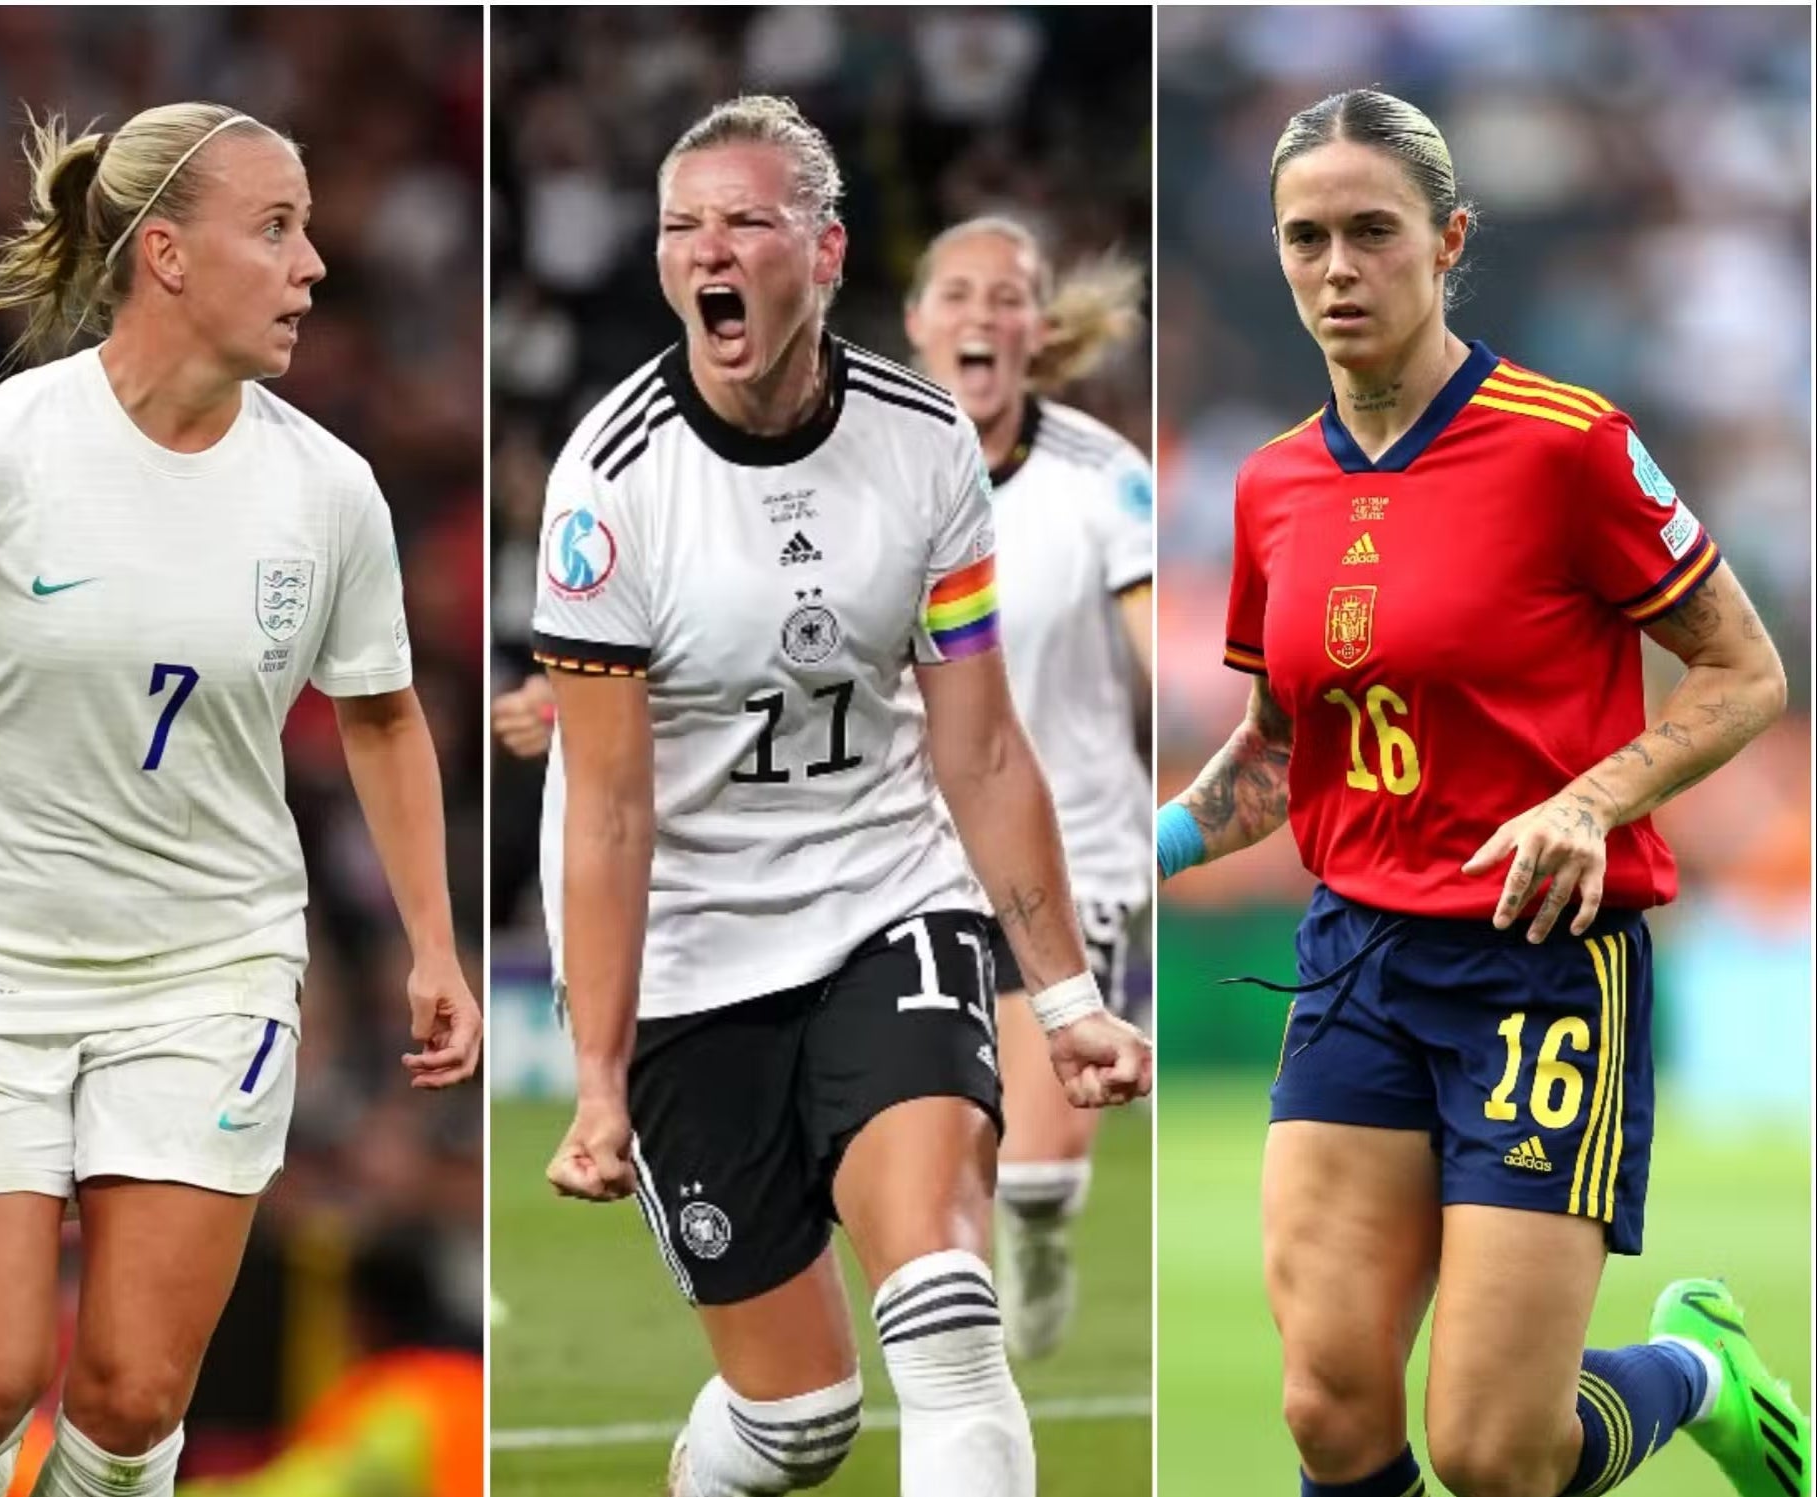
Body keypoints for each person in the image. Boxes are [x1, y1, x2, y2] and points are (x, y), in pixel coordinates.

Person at [0, 102, 481, 1497]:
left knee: (129, 1397)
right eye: (278, 229)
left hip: (210, 966)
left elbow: (380, 713)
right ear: (167, 254)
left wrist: (433, 940)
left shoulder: (329, 492)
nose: (314, 267)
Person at [1157, 88, 1806, 1497]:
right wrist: (1143, 847)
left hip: (1540, 972)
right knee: (1330, 1405)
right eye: (1307, 238)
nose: (1339, 270)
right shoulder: (1271, 487)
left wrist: (1591, 798)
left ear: (1449, 241)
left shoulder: (1566, 442)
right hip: (1353, 962)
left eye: (1372, 234)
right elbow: (1279, 752)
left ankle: (1695, 1367)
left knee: (1493, 1451)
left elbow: (1744, 671)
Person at [531, 95, 1150, 1497]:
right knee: (798, 1426)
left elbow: (981, 748)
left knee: (943, 1311)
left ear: (823, 250)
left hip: (886, 901)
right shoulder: (609, 488)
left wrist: (1062, 996)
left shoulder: (924, 441)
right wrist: (600, 1079)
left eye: (745, 219)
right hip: (690, 953)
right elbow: (611, 809)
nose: (709, 248)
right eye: (683, 224)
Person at [900, 218, 1152, 1359]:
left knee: (1038, 1172)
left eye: (1009, 298)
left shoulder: (1103, 476)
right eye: (957, 293)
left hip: (1079, 847)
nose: (982, 316)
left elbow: (1167, 643)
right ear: (916, 323)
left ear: (1038, 331)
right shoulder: (871, 467)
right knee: (947, 1140)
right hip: (913, 851)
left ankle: (1041, 1233)